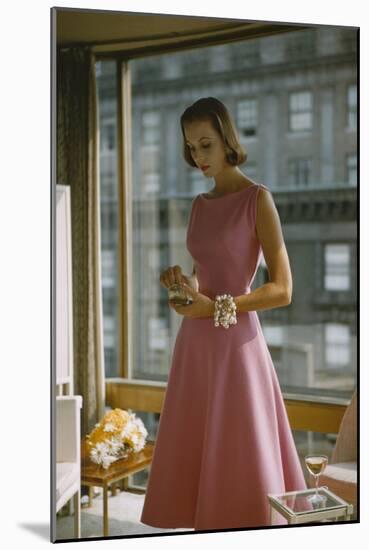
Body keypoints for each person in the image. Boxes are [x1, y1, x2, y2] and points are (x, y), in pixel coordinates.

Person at [140, 97, 307, 531]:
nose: (197, 157)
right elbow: (203, 280)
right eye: (191, 147)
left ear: (228, 140)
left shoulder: (258, 200)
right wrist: (181, 287)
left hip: (237, 346)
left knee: (239, 452)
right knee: (198, 452)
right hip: (196, 345)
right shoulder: (198, 203)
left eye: (206, 145)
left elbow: (283, 289)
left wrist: (219, 306)